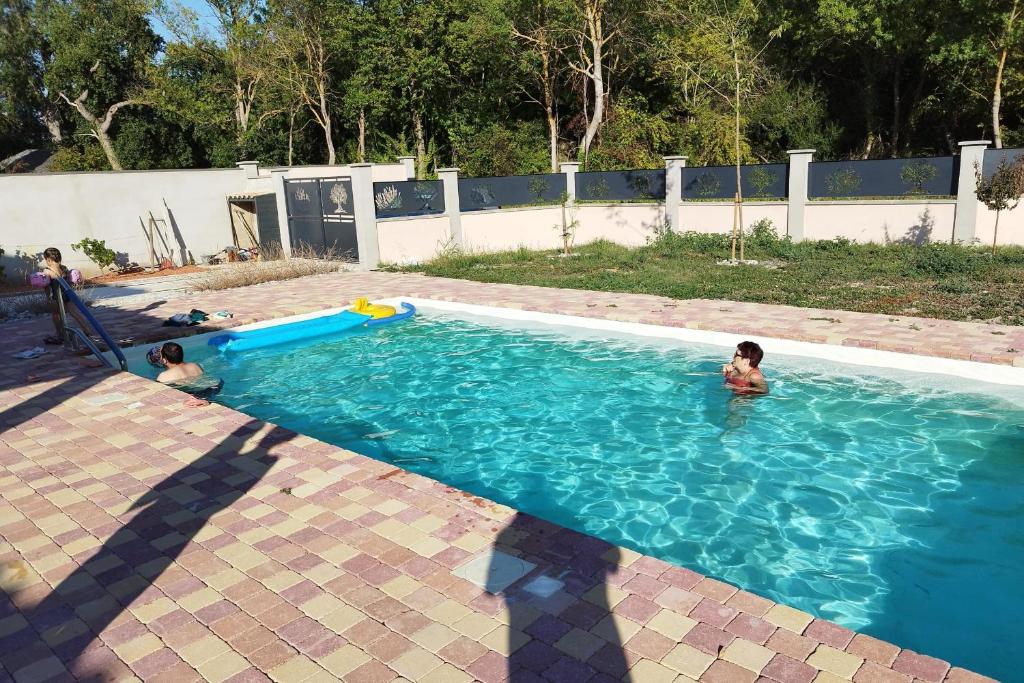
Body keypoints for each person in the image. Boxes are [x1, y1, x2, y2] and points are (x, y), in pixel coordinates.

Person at [41, 247, 91, 345]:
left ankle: (59, 334)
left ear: (48, 259)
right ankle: (87, 330)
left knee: (56, 314)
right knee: (75, 313)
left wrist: (48, 297)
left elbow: (46, 287)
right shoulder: (64, 268)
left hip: (56, 296)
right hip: (68, 294)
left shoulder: (47, 271)